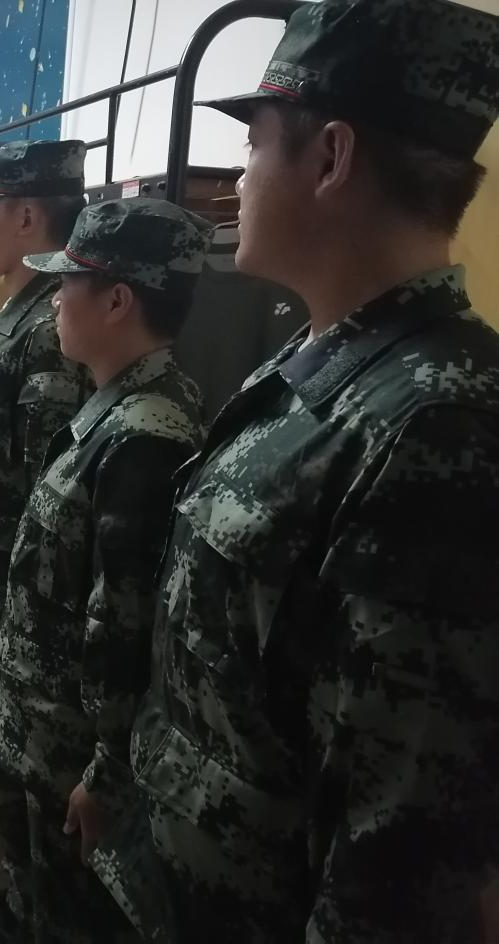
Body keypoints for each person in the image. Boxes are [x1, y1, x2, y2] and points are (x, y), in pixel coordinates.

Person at [94, 2, 499, 942]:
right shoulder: (316, 360)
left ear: (329, 158)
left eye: (252, 146)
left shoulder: (437, 425)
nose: (237, 180)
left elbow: (401, 851)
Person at [0, 198, 213, 943]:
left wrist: (106, 775)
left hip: (73, 742)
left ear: (116, 302)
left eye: (67, 285)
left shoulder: (146, 436)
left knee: (71, 906)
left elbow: (128, 628)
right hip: (43, 714)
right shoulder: (114, 408)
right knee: (37, 878)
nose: (52, 301)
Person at [0, 139, 94, 933]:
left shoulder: (48, 329)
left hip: (24, 600)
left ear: (28, 217)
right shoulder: (25, 313)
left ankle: (42, 912)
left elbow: (50, 494)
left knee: (35, 765)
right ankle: (22, 897)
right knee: (8, 753)